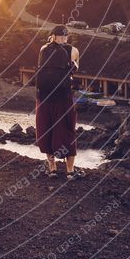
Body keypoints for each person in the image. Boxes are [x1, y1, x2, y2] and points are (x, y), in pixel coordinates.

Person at [35, 24, 85, 180]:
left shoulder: (43, 49)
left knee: (46, 129)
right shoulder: (73, 51)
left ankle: (52, 168)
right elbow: (75, 71)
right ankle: (70, 171)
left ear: (52, 36)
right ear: (66, 36)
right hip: (63, 98)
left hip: (44, 97)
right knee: (67, 130)